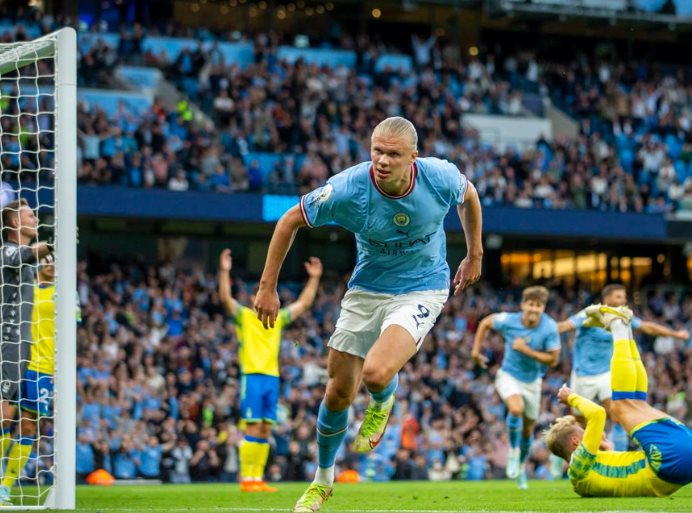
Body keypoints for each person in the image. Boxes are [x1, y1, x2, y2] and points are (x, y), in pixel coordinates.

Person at [253, 116, 483, 512]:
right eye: (377, 150)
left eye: (393, 154)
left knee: (376, 373)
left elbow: (470, 196)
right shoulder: (348, 188)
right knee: (339, 390)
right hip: (367, 290)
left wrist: (474, 252)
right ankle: (322, 482)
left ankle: (382, 400)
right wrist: (266, 287)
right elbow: (290, 220)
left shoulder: (439, 177)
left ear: (414, 156)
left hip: (422, 287)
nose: (382, 160)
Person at [545, 304, 692, 497]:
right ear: (575, 442)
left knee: (636, 404)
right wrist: (571, 397)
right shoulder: (580, 464)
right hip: (667, 460)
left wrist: (606, 447)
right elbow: (598, 414)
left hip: (676, 464)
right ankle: (618, 325)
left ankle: (625, 328)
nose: (595, 435)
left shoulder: (581, 477)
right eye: (585, 432)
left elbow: (616, 472)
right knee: (619, 407)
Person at [218, 248, 322, 492]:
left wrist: (314, 278)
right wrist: (224, 271)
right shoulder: (245, 317)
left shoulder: (278, 319)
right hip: (252, 376)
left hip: (272, 379)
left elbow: (304, 303)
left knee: (265, 428)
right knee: (253, 427)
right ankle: (247, 478)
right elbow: (225, 298)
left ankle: (257, 479)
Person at [557, 284, 689, 451]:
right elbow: (564, 326)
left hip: (606, 374)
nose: (623, 300)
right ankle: (580, 453)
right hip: (583, 375)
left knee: (617, 414)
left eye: (623, 297)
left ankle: (618, 454)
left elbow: (647, 326)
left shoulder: (622, 317)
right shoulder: (588, 314)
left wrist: (674, 334)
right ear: (607, 298)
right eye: (619, 297)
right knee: (580, 422)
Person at [471, 286, 560, 490]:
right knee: (516, 409)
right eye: (530, 304)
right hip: (508, 375)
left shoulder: (549, 327)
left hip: (533, 381)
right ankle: (512, 451)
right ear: (523, 305)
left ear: (543, 308)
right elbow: (485, 322)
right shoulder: (509, 320)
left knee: (528, 429)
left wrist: (526, 350)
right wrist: (476, 352)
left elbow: (553, 359)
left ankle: (520, 467)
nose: (533, 309)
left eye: (538, 306)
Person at [0, 199, 51, 505]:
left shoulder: (33, 266)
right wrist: (54, 242)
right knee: (4, 412)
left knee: (21, 418)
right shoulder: (6, 250)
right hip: (7, 343)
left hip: (26, 350)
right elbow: (27, 253)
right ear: (17, 223)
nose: (35, 218)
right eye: (31, 215)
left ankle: (5, 484)